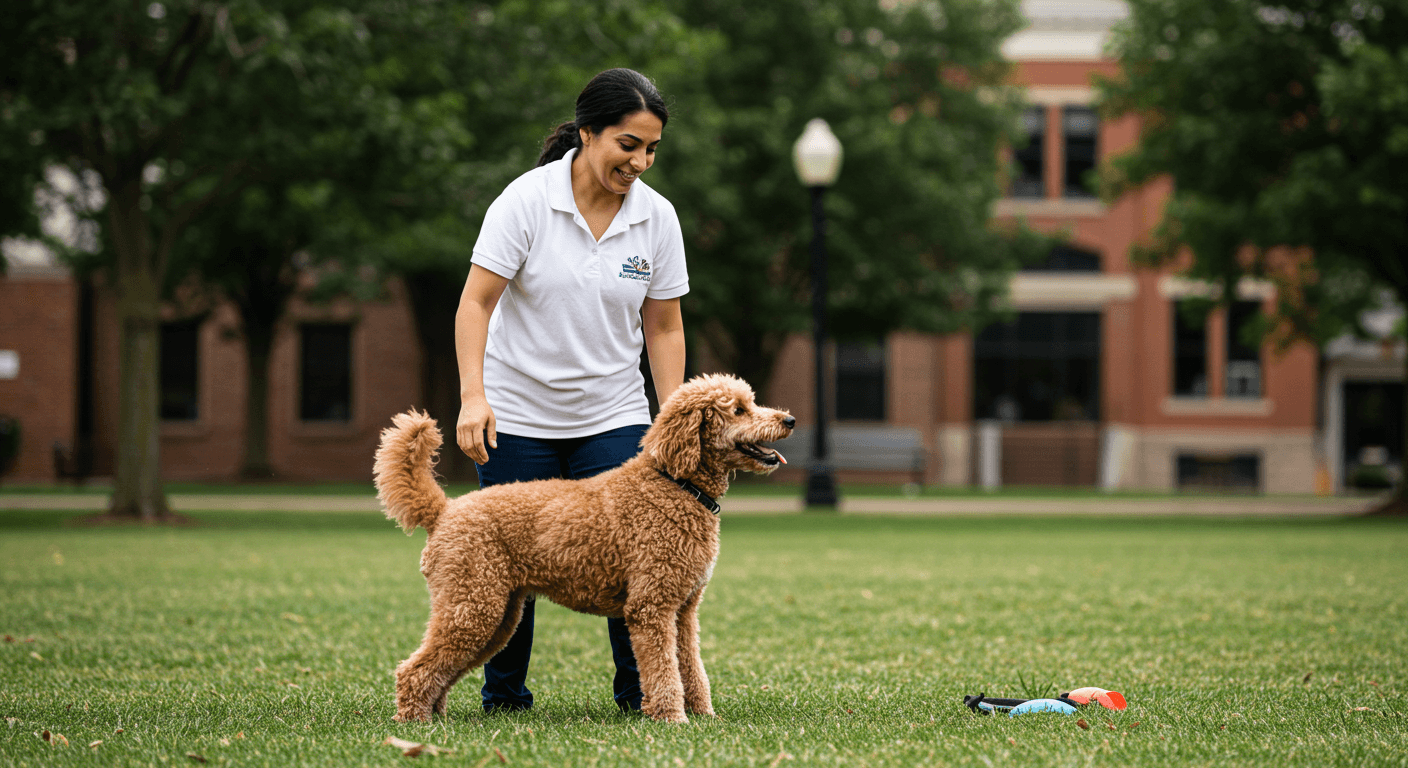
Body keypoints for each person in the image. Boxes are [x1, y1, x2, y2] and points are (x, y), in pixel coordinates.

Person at [453, 68, 688, 713]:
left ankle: (642, 696)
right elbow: (476, 302)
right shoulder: (525, 202)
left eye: (650, 149)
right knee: (512, 563)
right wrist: (475, 397)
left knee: (636, 561)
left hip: (613, 413)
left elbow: (664, 326)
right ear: (587, 134)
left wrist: (670, 417)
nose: (639, 161)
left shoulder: (656, 218)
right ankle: (504, 698)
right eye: (627, 144)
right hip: (518, 412)